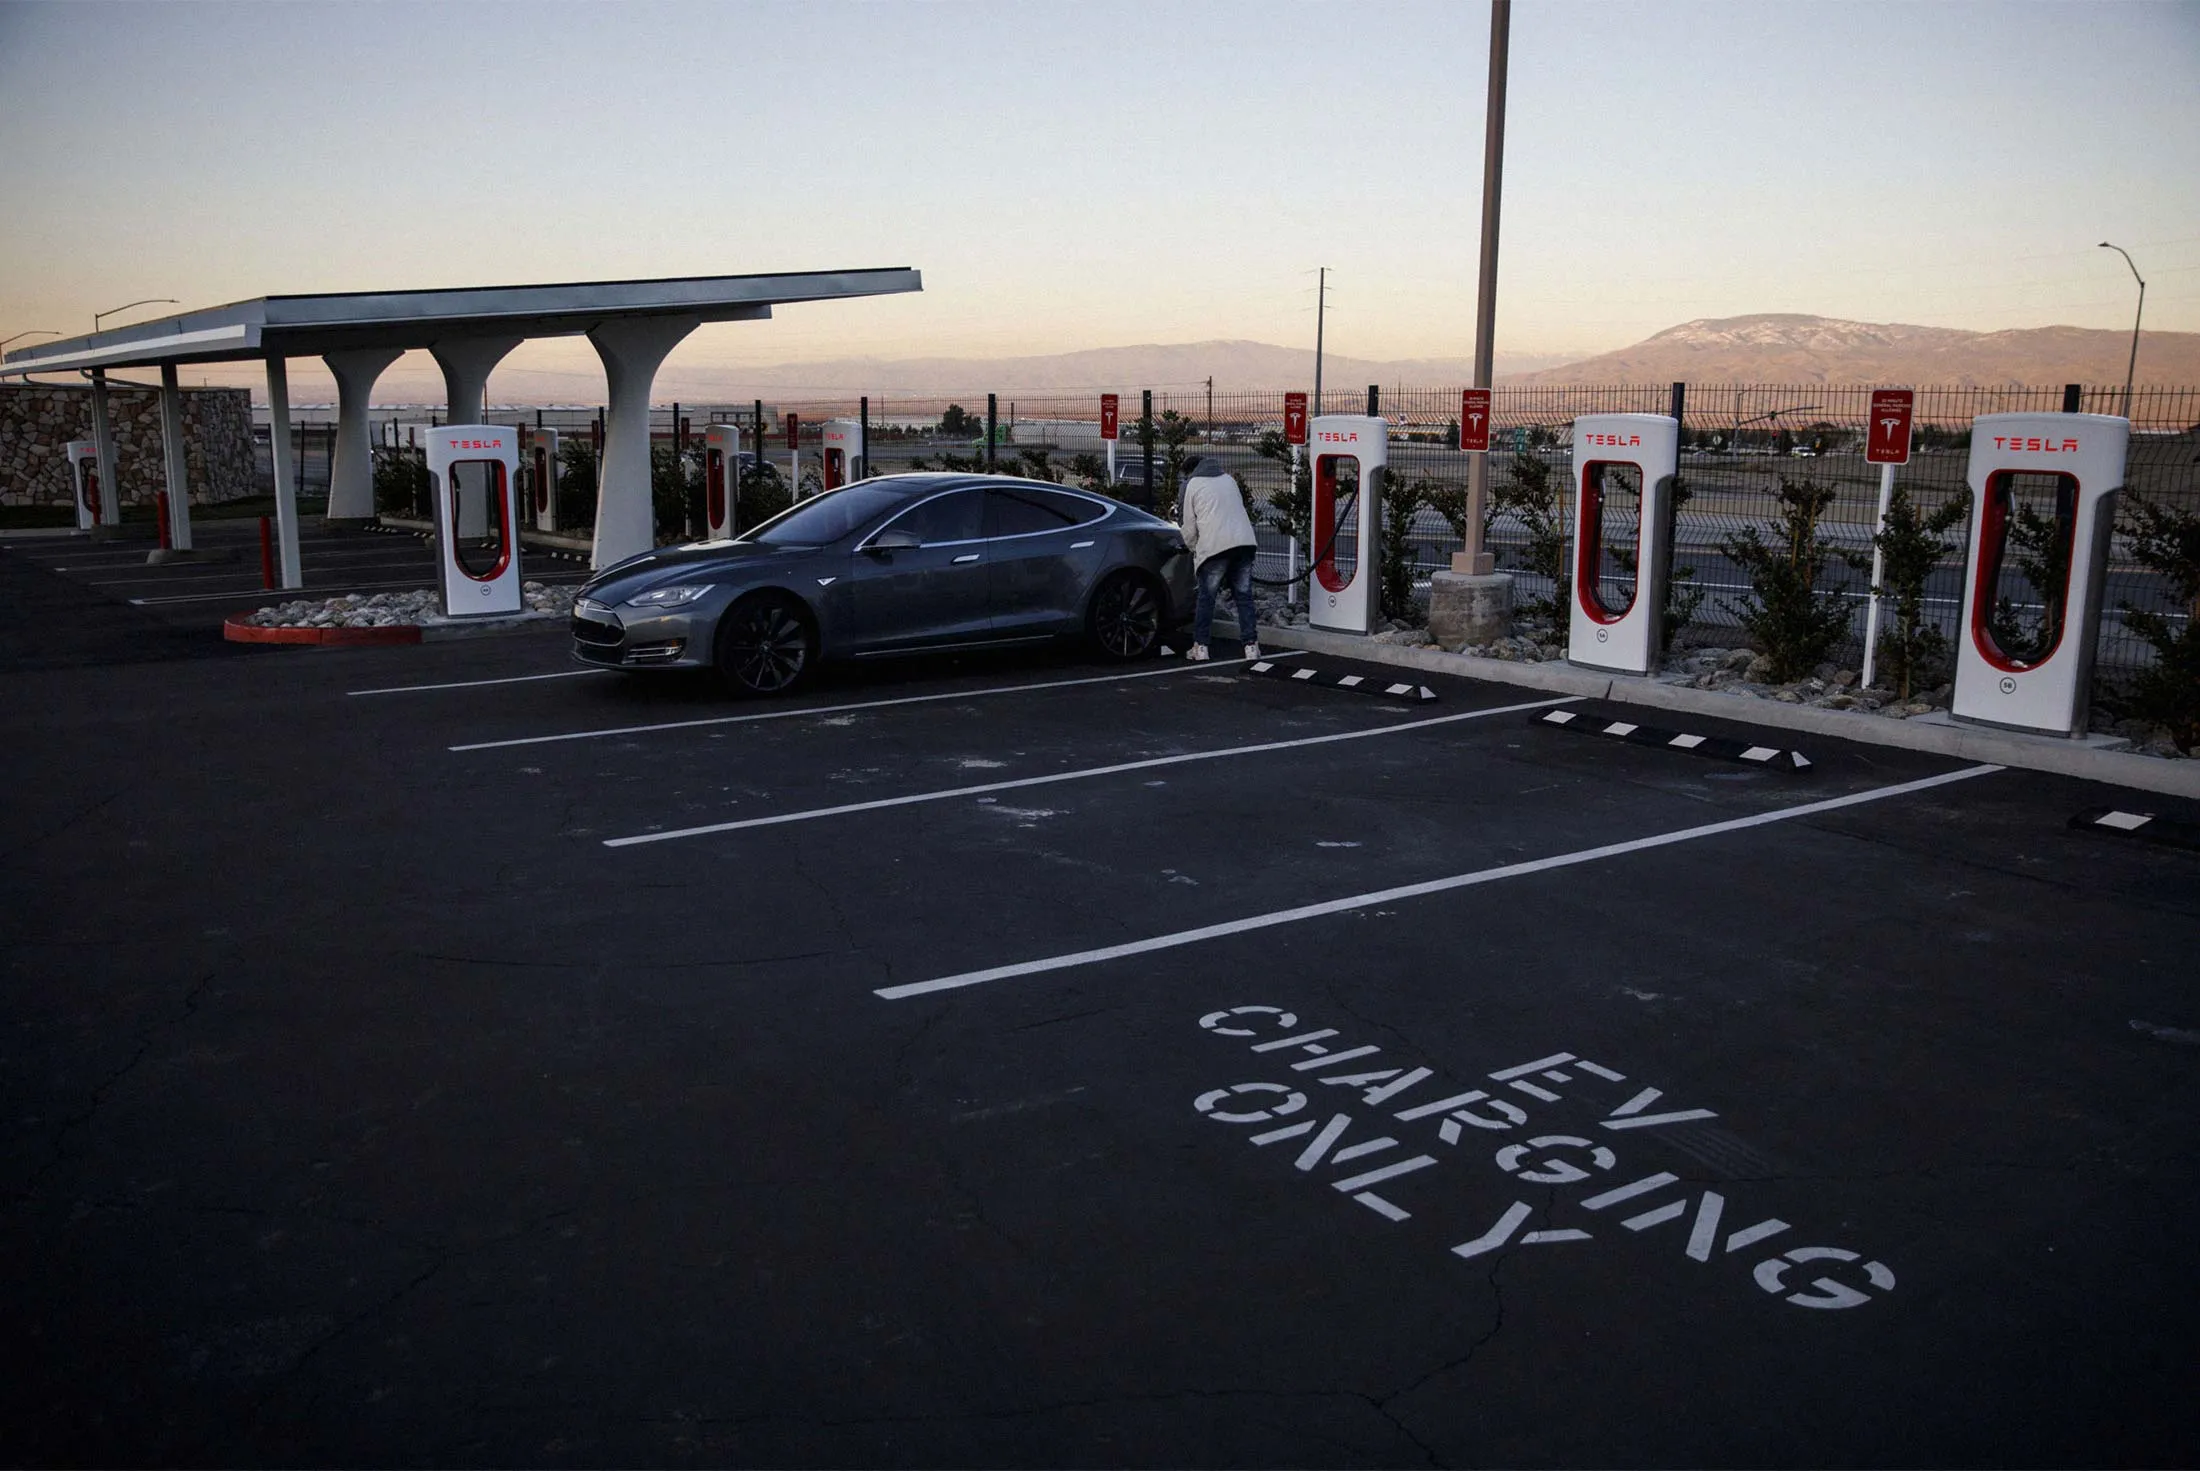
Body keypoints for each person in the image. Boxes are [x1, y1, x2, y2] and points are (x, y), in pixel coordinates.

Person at [1177, 453, 1262, 662]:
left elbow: (1188, 525)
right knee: (1244, 596)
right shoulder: (1228, 479)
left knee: (1207, 597)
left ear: (1189, 471)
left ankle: (1201, 647)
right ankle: (1251, 647)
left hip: (1215, 547)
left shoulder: (1192, 485)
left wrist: (1193, 548)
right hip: (1244, 543)